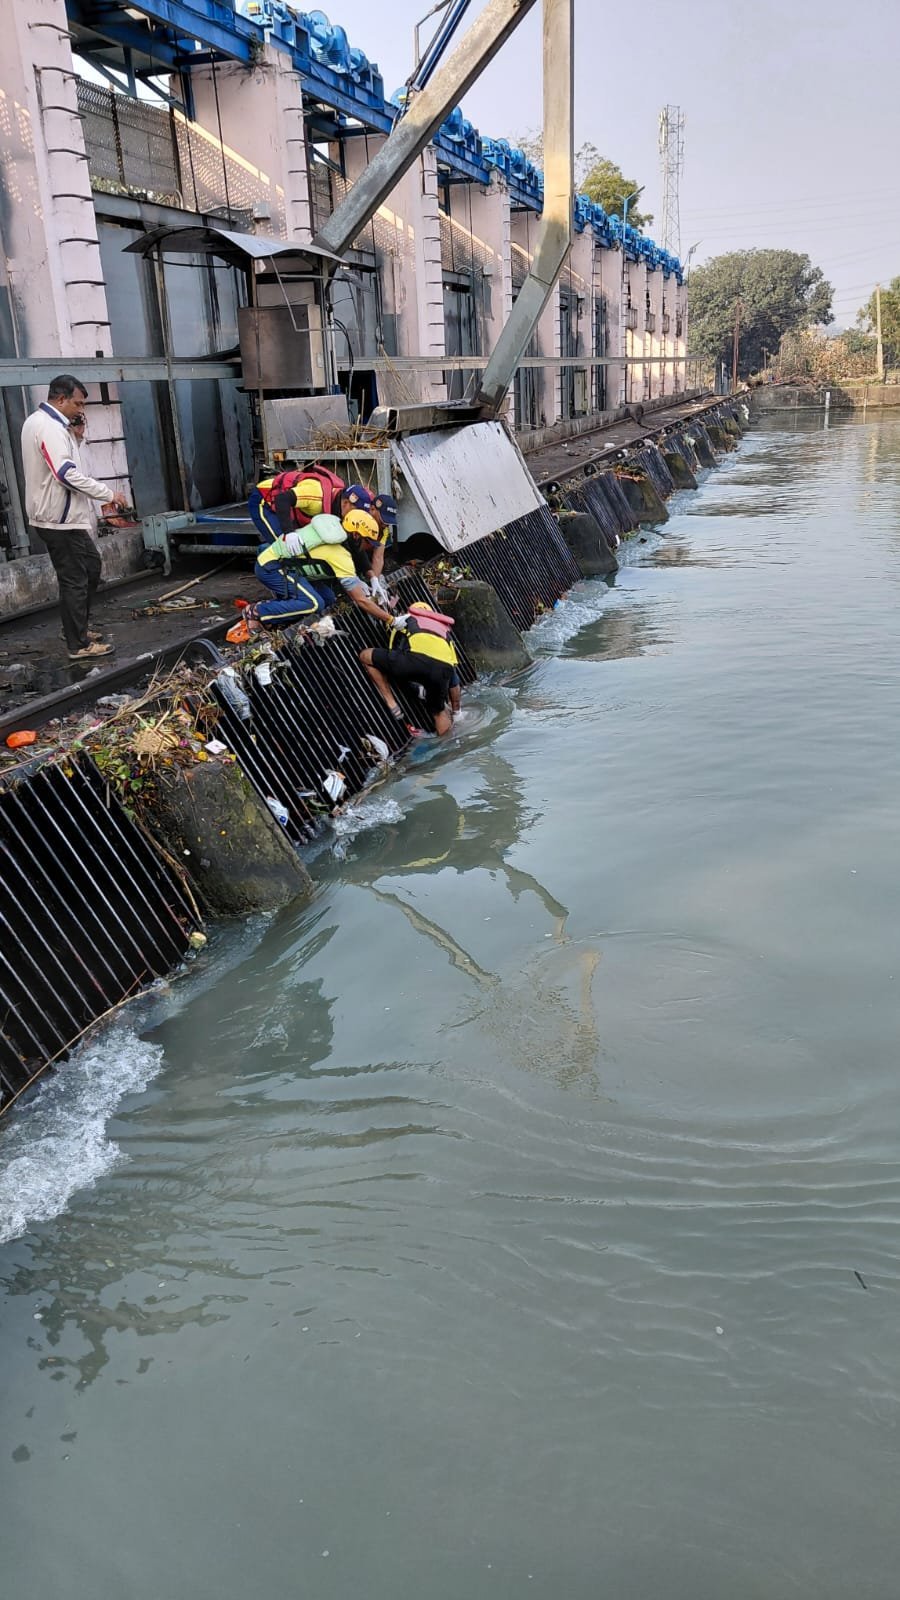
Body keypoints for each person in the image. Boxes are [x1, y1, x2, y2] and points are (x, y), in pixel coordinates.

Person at [21, 374, 127, 659]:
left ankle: (75, 627)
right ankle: (78, 644)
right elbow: (65, 473)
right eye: (78, 403)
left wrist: (76, 438)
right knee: (76, 579)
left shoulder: (49, 425)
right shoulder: (49, 428)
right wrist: (107, 494)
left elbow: (63, 463)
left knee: (90, 568)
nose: (81, 410)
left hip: (59, 517)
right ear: (61, 399)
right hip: (58, 520)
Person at [245, 512, 396, 630]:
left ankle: (279, 617)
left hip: (290, 567)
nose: (368, 547)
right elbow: (361, 600)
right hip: (271, 566)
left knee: (328, 598)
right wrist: (391, 619)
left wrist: (363, 581)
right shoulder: (339, 553)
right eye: (368, 542)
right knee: (313, 603)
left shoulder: (334, 529)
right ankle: (257, 611)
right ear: (356, 535)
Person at [360, 601, 461, 737]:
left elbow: (393, 653)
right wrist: (457, 711)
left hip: (414, 661)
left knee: (365, 655)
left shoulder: (408, 618)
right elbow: (454, 680)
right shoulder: (445, 633)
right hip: (442, 670)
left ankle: (391, 702)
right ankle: (448, 748)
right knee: (439, 712)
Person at [248, 465, 373, 545]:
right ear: (346, 503)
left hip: (288, 506)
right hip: (265, 499)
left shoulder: (339, 505)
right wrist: (289, 533)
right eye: (356, 512)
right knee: (283, 546)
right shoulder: (317, 495)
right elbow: (282, 499)